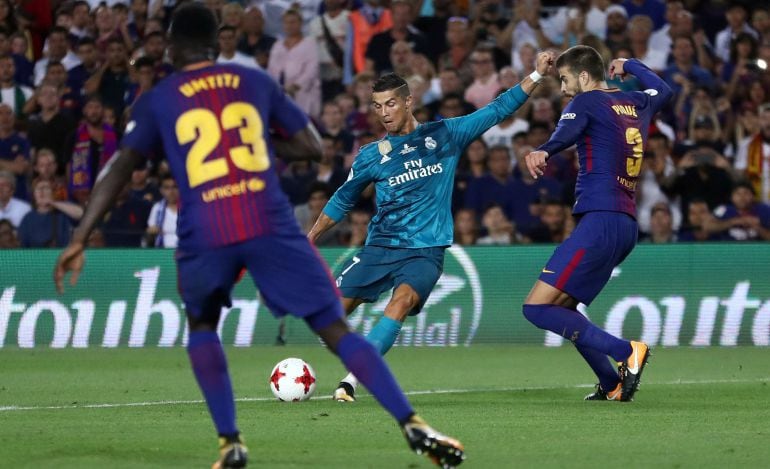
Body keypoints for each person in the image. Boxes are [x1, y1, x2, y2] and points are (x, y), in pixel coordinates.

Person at [52, 5, 464, 469]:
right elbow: (310, 146)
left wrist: (80, 236)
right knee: (334, 326)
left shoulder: (160, 97)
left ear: (170, 48)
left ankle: (231, 443)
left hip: (207, 226)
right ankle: (412, 423)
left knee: (203, 326)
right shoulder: (253, 83)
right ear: (215, 44)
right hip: (268, 221)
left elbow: (119, 168)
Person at [308, 52, 554, 402]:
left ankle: (353, 379)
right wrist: (310, 238)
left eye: (391, 103)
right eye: (377, 106)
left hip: (425, 249)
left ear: (408, 102)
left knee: (403, 300)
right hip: (380, 248)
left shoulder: (445, 135)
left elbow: (497, 109)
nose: (384, 113)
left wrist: (537, 74)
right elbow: (341, 200)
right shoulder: (371, 155)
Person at [523, 45, 673, 402]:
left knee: (536, 308)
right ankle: (612, 384)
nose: (563, 88)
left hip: (600, 222)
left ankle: (626, 352)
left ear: (585, 76)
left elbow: (566, 135)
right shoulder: (637, 101)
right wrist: (631, 65)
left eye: (565, 79)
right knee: (565, 308)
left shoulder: (586, 103)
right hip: (625, 226)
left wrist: (543, 149)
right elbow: (663, 90)